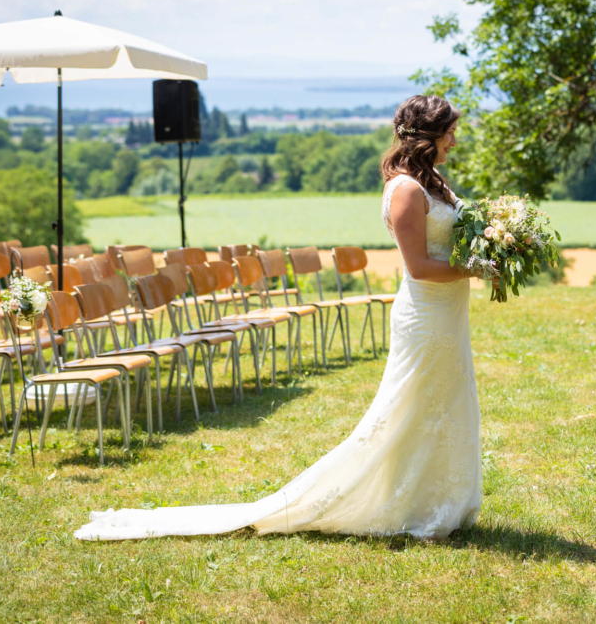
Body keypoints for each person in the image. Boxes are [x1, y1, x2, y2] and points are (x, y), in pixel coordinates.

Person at [75, 95, 492, 541]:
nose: (454, 139)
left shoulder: (433, 181)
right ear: (429, 134)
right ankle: (404, 503)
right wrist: (479, 268)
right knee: (410, 407)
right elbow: (419, 267)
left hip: (447, 312)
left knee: (445, 400)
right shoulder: (408, 189)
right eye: (450, 130)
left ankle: (438, 500)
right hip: (426, 315)